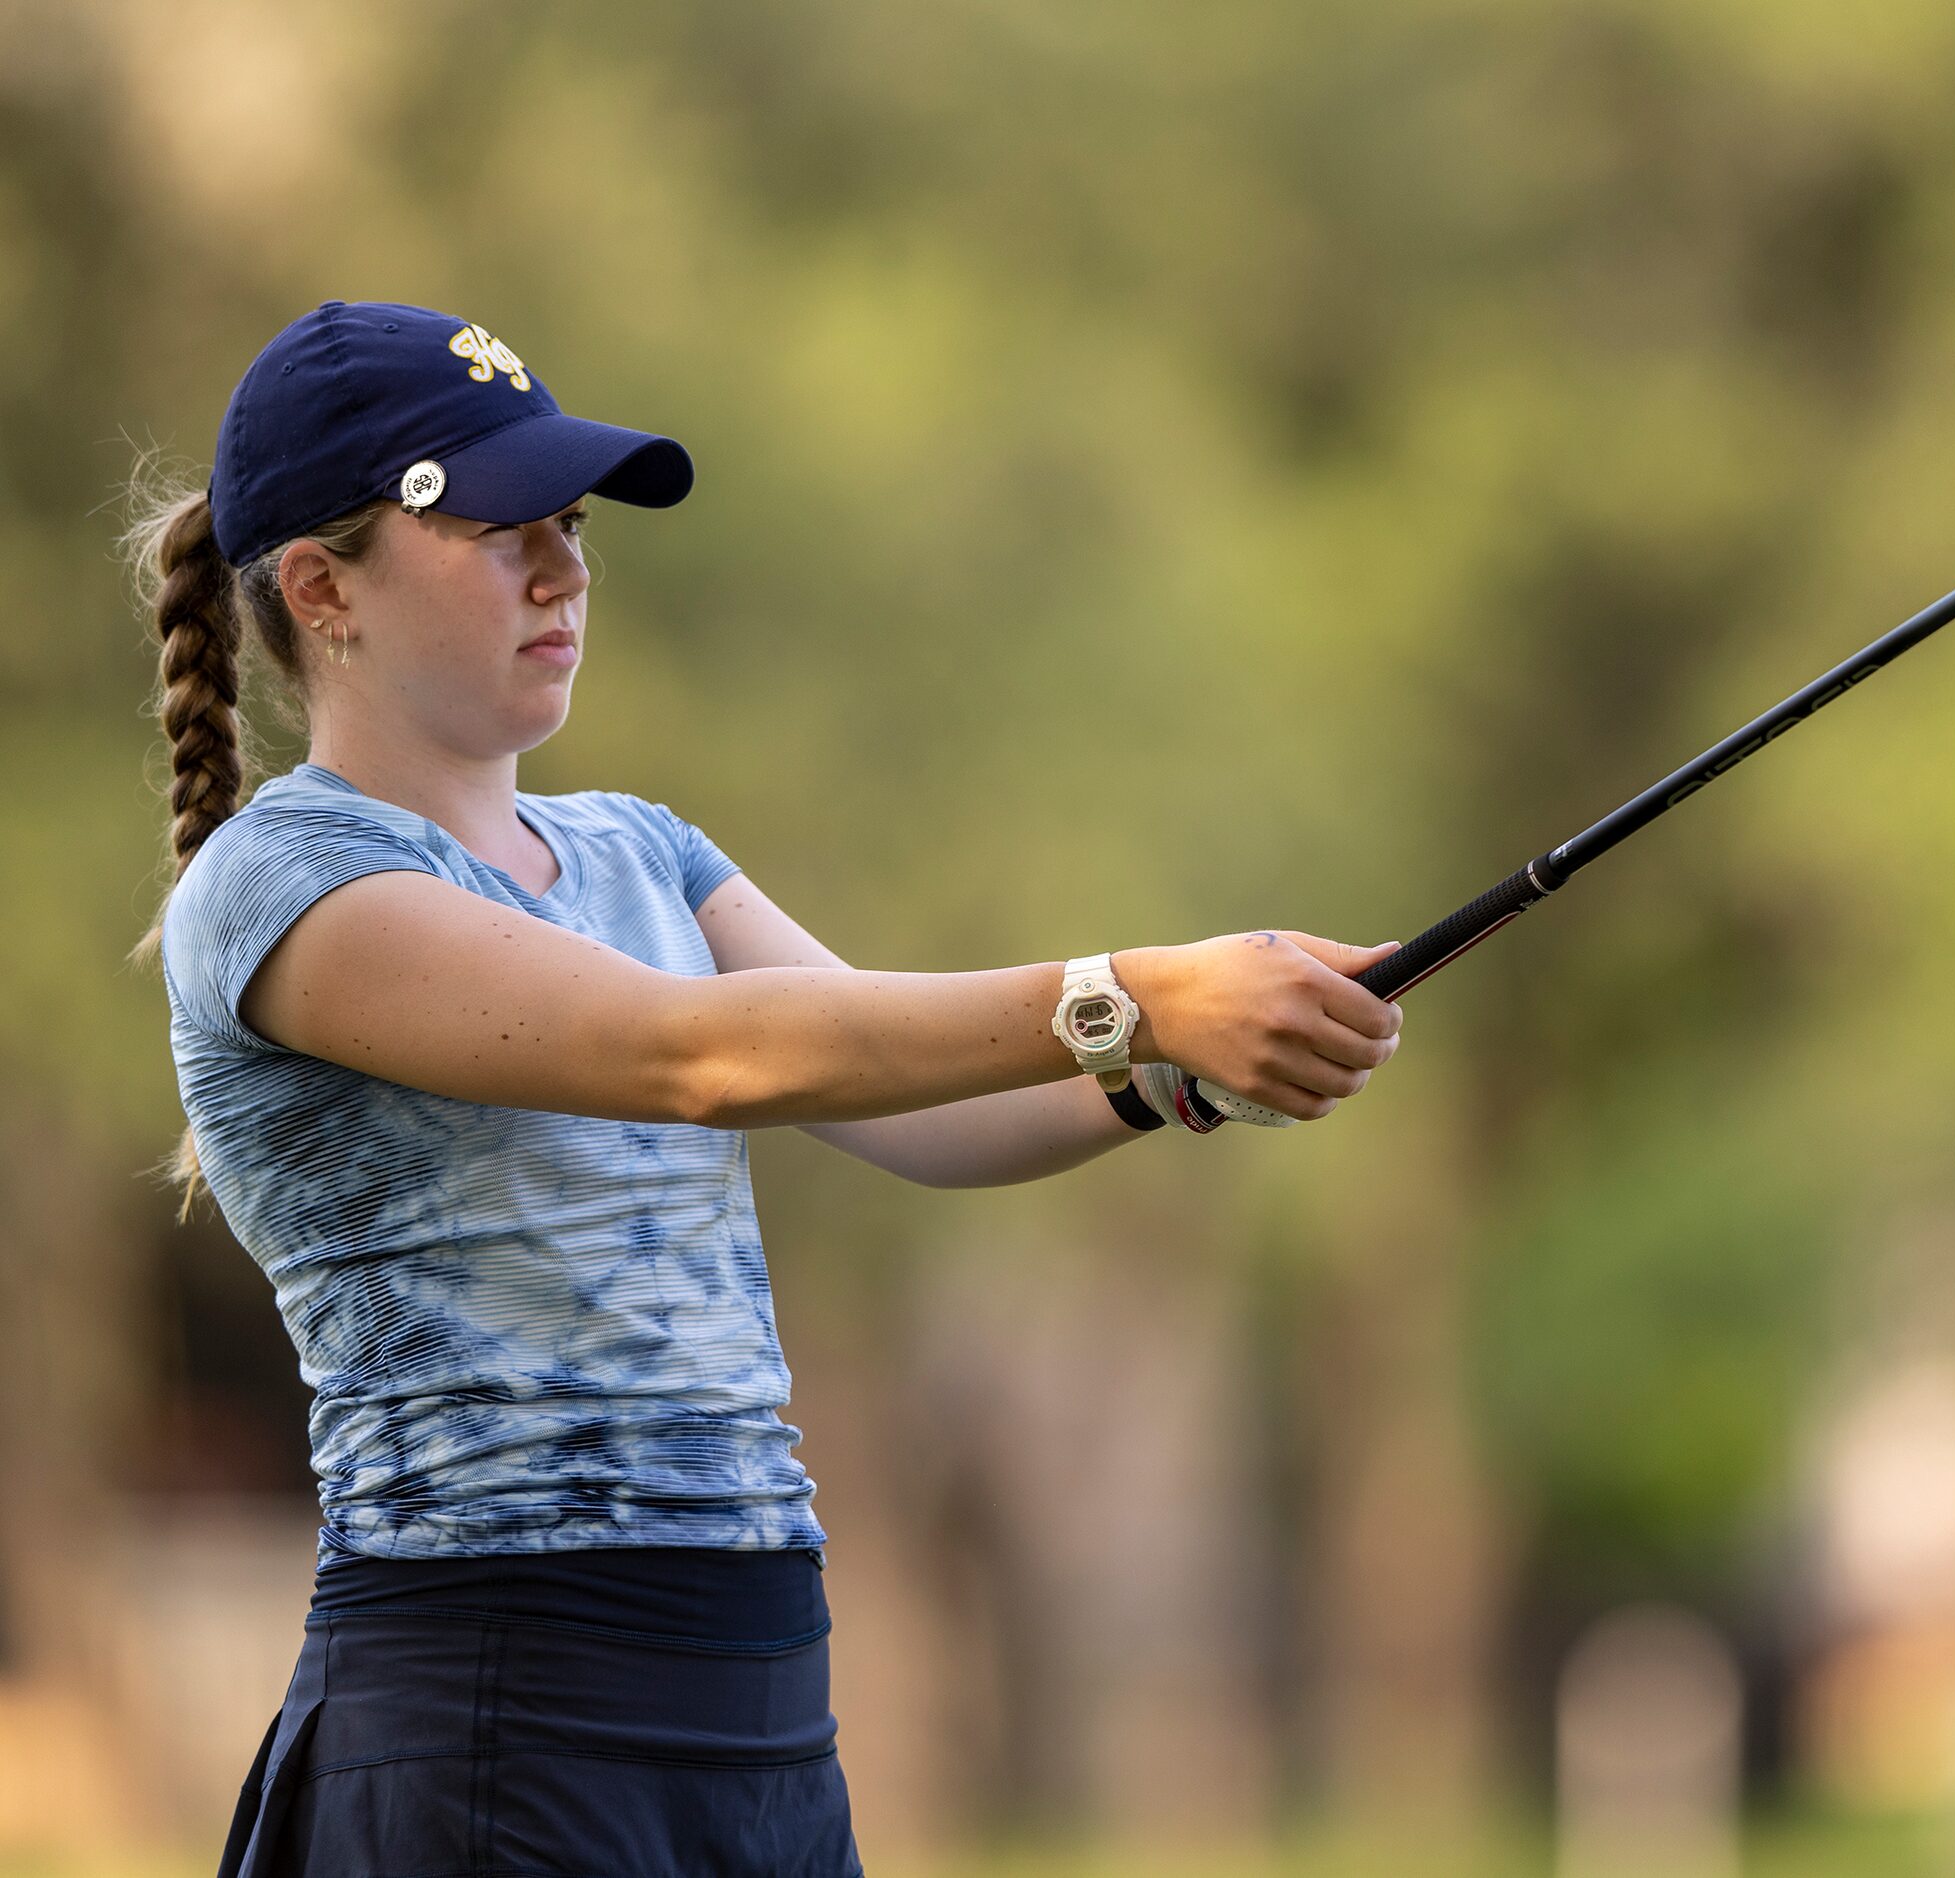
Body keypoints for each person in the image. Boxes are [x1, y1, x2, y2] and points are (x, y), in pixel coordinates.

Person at [125, 299, 1405, 1877]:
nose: (564, 568)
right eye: (494, 527)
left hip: (758, 1701)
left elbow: (923, 1107)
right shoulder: (279, 885)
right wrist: (1136, 990)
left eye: (572, 524)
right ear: (322, 589)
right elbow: (703, 1055)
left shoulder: (644, 848)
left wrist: (1179, 1072)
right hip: (498, 1704)